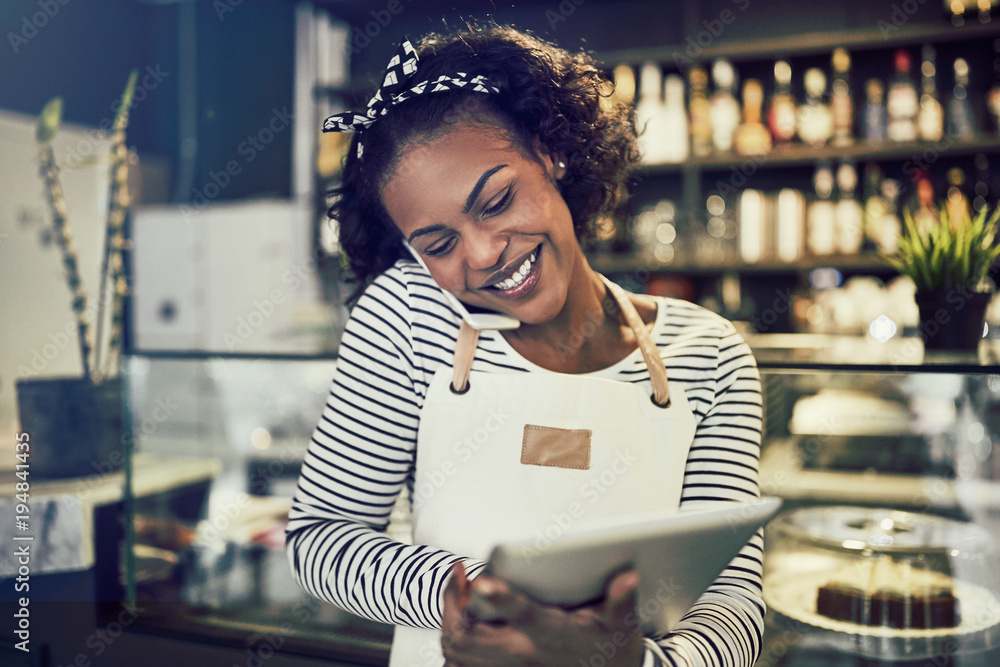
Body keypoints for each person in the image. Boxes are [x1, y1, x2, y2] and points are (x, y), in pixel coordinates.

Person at [286, 24, 764, 666]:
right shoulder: (408, 314)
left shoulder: (707, 353)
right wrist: (473, 596)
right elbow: (321, 540)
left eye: (496, 201)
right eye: (438, 244)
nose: (482, 255)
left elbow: (731, 605)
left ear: (552, 153)